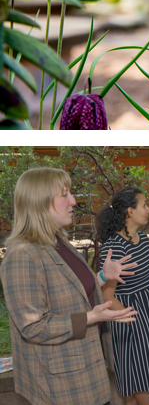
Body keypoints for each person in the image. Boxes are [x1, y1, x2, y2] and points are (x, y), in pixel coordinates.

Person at [0, 168, 138, 405]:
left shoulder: (58, 240)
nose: (74, 201)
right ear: (39, 202)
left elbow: (70, 290)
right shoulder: (22, 255)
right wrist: (89, 318)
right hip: (60, 386)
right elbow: (33, 326)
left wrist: (103, 278)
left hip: (87, 372)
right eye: (65, 195)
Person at [98, 187, 149, 405]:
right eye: (144, 204)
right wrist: (132, 321)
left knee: (134, 378)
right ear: (129, 211)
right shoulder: (114, 247)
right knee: (140, 376)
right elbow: (108, 295)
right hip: (129, 317)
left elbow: (148, 278)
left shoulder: (143, 239)